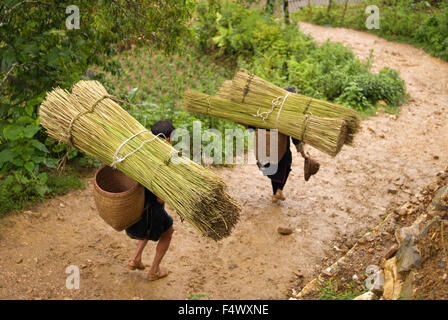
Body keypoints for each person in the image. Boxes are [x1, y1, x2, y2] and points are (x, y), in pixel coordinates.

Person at [125, 120, 175, 281]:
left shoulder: (142, 153)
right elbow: (160, 199)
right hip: (152, 209)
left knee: (147, 230)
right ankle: (154, 271)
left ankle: (136, 259)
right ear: (167, 139)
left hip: (137, 209)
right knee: (167, 232)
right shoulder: (165, 161)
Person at [254, 86, 319, 203]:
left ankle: (276, 193)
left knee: (274, 170)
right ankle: (279, 190)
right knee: (285, 166)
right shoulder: (288, 115)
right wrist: (303, 154)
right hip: (281, 148)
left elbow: (254, 123)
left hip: (265, 148)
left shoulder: (270, 108)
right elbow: (295, 138)